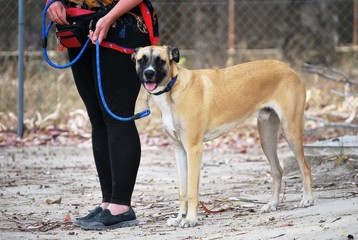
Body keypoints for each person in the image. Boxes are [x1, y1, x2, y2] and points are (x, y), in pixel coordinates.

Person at [46, 0, 159, 230]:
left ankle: (121, 206)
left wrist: (108, 17)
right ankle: (108, 201)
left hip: (122, 24)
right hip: (77, 24)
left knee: (116, 114)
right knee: (97, 118)